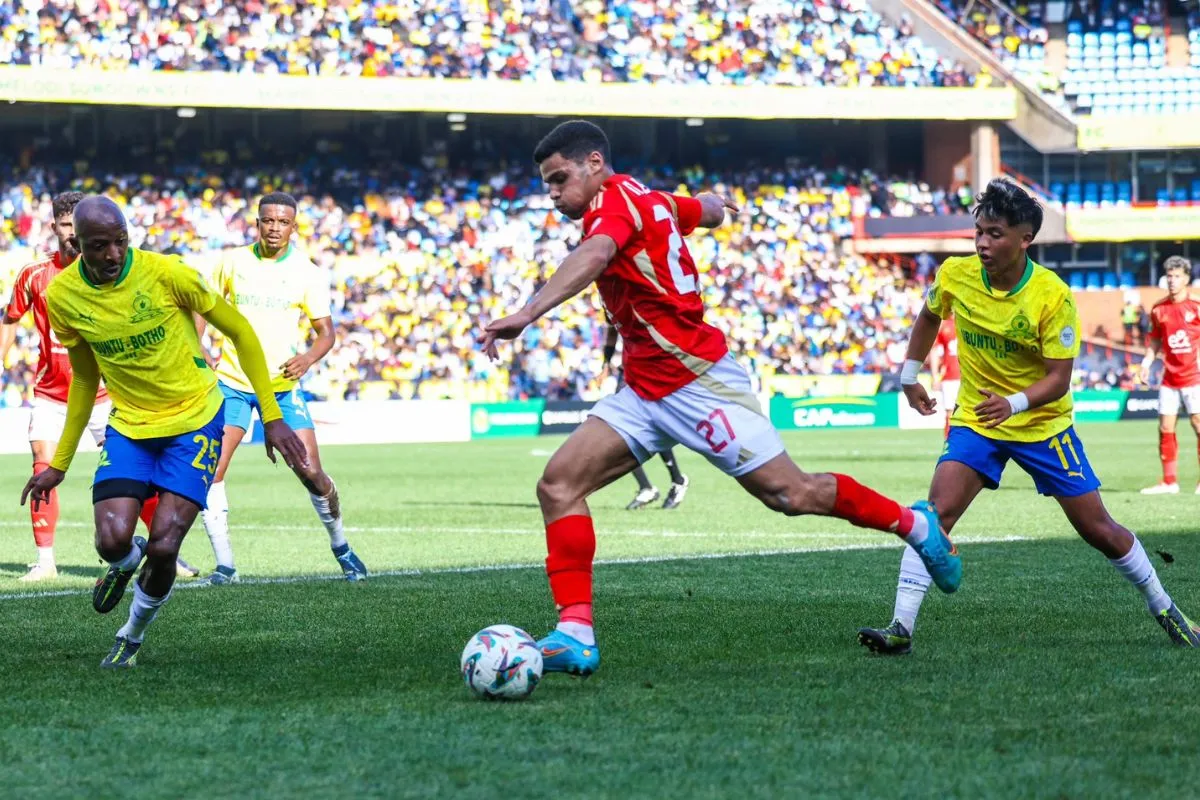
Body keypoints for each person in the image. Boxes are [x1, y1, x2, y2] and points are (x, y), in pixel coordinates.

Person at [482, 120, 961, 679]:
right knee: (559, 485)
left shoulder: (612, 207)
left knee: (792, 494)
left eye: (559, 178)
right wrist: (713, 207)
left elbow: (596, 254)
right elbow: (701, 210)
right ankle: (575, 634)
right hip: (645, 388)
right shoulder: (649, 199)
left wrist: (527, 313)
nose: (553, 193)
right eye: (547, 184)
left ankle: (916, 525)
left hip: (699, 382)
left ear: (594, 163)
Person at [857, 179, 1200, 656]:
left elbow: (1059, 379)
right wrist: (909, 374)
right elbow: (929, 315)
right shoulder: (956, 274)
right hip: (979, 421)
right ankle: (900, 628)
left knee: (1098, 529)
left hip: (1043, 426)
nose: (982, 243)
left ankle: (1165, 607)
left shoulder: (1052, 295)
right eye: (979, 232)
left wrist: (1013, 403)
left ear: (1025, 239)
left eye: (995, 234)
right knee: (932, 517)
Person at [21, 196, 307, 669]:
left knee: (165, 545)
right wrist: (59, 464)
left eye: (120, 241)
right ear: (77, 244)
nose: (113, 254)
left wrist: (272, 415)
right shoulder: (64, 296)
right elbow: (85, 379)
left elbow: (240, 331)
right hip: (130, 426)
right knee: (111, 541)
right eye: (99, 246)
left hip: (195, 421)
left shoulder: (168, 273)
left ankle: (130, 635)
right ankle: (124, 561)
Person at [0, 192, 195, 581]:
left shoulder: (111, 271)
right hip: (51, 393)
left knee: (136, 473)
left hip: (107, 394)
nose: (72, 234)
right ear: (54, 227)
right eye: (66, 225)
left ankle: (164, 552)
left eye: (78, 226)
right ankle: (45, 561)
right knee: (43, 465)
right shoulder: (34, 275)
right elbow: (10, 318)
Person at [197, 192, 366, 584]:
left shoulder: (308, 273)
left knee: (310, 471)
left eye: (282, 222)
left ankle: (341, 545)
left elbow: (326, 333)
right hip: (232, 383)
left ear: (294, 226)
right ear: (257, 223)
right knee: (211, 470)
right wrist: (199, 345)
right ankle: (225, 566)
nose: (274, 228)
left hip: (282, 386)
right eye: (268, 221)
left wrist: (307, 358)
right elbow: (202, 306)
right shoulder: (231, 261)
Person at [599, 325, 689, 510]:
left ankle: (674, 481)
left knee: (654, 425)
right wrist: (606, 362)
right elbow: (612, 331)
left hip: (651, 370)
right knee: (620, 430)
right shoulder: (611, 308)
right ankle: (649, 487)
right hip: (628, 372)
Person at [1138, 256, 1200, 495]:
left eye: (1177, 276)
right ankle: (1169, 482)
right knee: (1165, 427)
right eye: (1169, 276)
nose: (1172, 281)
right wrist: (1146, 363)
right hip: (1169, 378)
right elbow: (1155, 340)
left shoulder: (1196, 307)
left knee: (1198, 425)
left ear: (1186, 279)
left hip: (1194, 377)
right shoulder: (1158, 309)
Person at [928, 316, 960, 439]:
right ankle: (950, 444)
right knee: (950, 412)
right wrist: (935, 375)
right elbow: (934, 350)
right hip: (950, 375)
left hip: (970, 375)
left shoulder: (973, 319)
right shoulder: (945, 324)